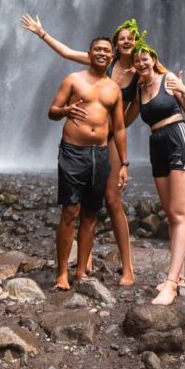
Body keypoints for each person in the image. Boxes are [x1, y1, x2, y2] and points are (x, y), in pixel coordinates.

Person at [22, 14, 145, 285]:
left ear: (133, 44)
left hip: (105, 143)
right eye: (119, 38)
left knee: (104, 204)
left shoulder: (139, 69)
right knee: (73, 209)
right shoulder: (89, 70)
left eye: (129, 39)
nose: (124, 42)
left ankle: (125, 267)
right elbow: (66, 52)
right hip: (78, 147)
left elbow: (125, 122)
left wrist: (179, 88)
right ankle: (71, 268)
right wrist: (41, 33)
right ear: (96, 52)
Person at [48, 36, 128, 291]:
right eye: (98, 50)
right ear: (90, 53)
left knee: (91, 214)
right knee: (70, 211)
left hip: (100, 154)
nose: (102, 53)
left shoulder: (114, 88)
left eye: (107, 50)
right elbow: (52, 111)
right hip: (73, 152)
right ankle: (62, 274)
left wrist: (124, 163)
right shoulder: (73, 79)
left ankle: (81, 271)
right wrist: (65, 111)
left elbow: (119, 127)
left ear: (112, 56)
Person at [126, 41, 185, 306]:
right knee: (170, 213)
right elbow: (124, 120)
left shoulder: (168, 79)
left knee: (179, 214)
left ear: (153, 58)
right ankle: (180, 275)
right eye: (136, 61)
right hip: (156, 144)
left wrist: (184, 91)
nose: (141, 63)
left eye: (144, 58)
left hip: (178, 138)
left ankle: (170, 285)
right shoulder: (139, 89)